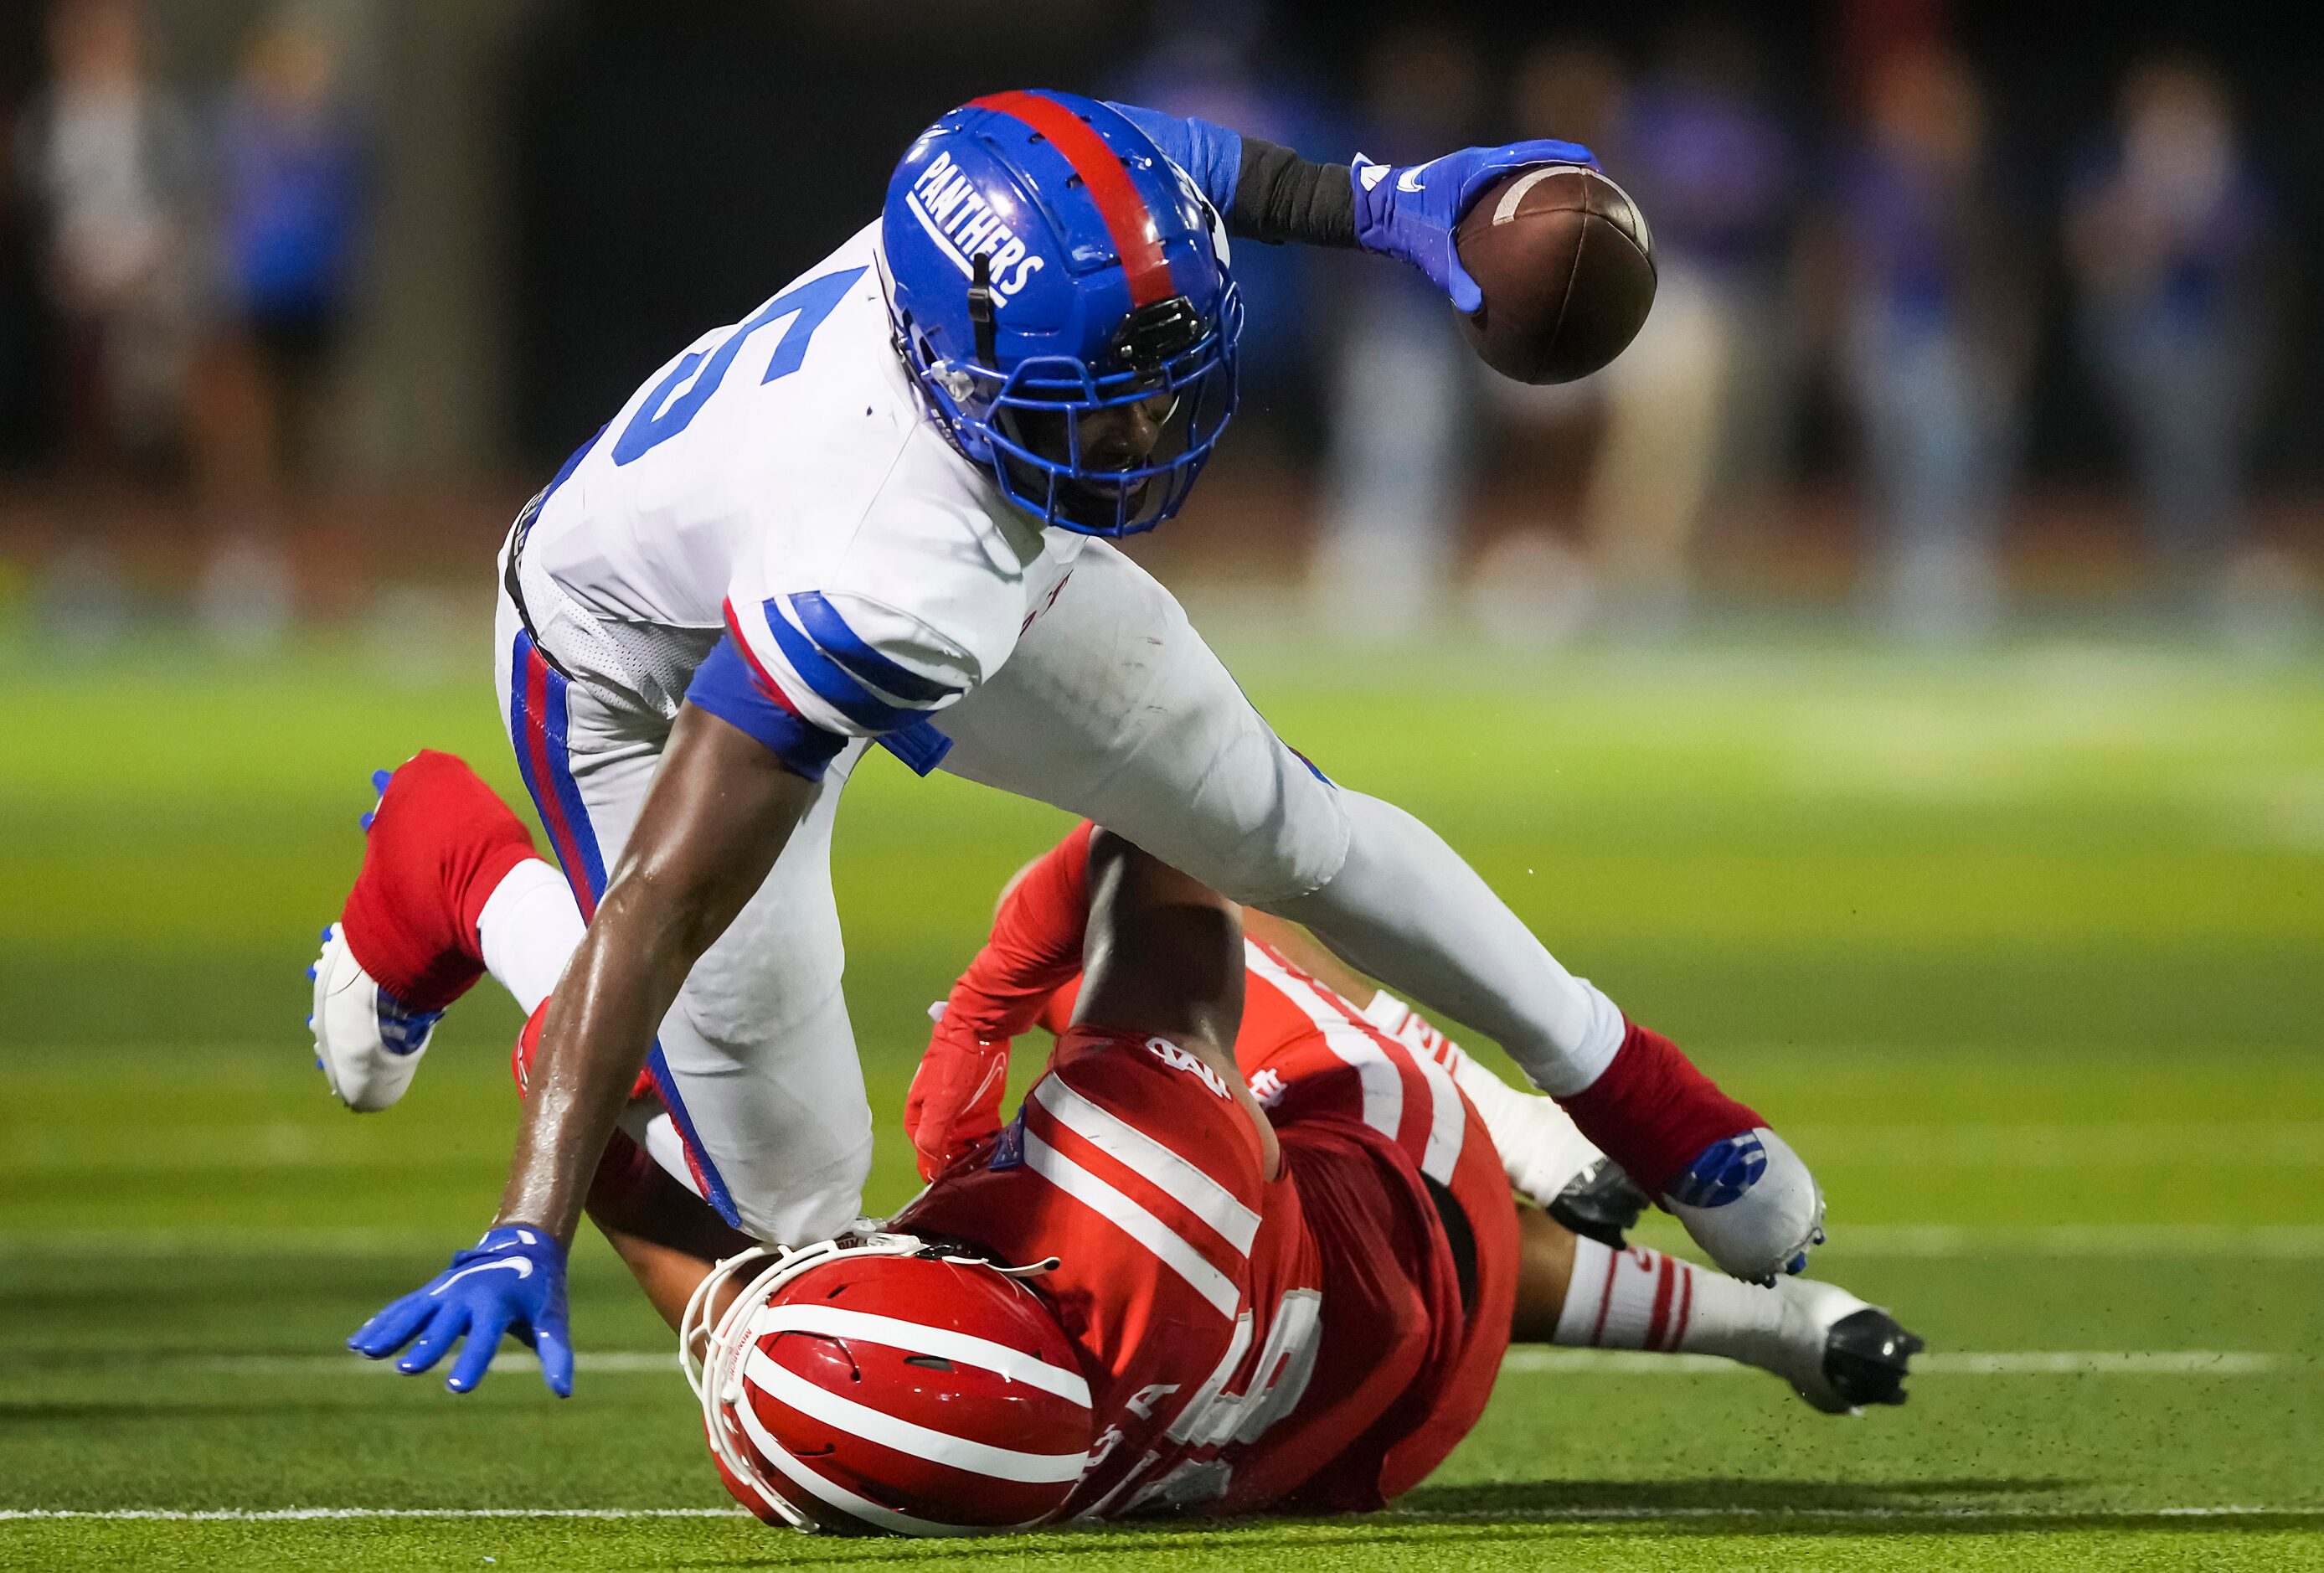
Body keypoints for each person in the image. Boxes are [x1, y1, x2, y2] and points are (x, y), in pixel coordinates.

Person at [316, 92, 1829, 1397]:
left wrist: (1389, 207)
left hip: (934, 531)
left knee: (1280, 825)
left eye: (1161, 374)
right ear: (970, 362)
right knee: (795, 1225)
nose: (1154, 426)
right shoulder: (889, 564)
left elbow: (1182, 172)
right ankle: (453, 868)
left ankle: (1656, 1105)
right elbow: (659, 897)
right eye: (1101, 403)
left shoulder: (1021, 208)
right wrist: (530, 1212)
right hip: (643, 671)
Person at [332, 753, 1920, 1530]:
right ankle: (1524, 1094)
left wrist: (592, 1124)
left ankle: (449, 872)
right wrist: (986, 1002)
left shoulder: (872, 1435)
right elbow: (1166, 835)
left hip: (1352, 1406)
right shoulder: (1142, 1186)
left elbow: (738, 1283)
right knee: (1326, 1006)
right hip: (1373, 1210)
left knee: (710, 1124)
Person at [2064, 54, 2272, 616]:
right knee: (2175, 438)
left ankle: (2201, 560)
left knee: (2203, 443)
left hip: (2214, 331)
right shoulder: (2112, 167)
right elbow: (2089, 249)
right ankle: (2180, 562)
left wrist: (2169, 226)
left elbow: (2236, 243)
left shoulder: (2223, 169)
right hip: (2137, 331)